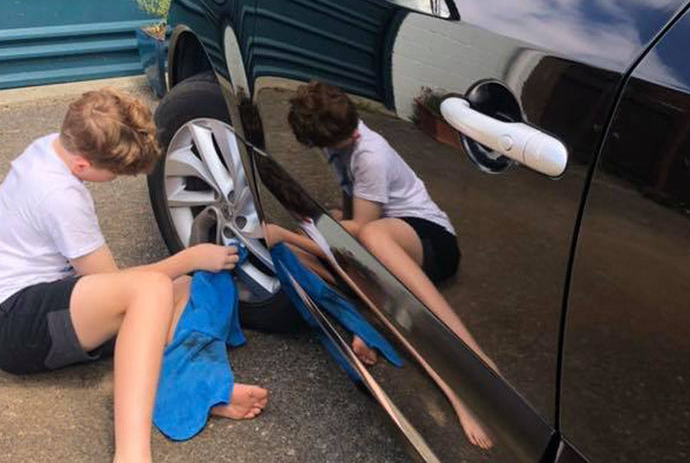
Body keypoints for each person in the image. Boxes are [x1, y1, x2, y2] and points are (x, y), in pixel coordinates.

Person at [0, 88, 267, 463]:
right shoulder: (60, 197)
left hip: (43, 304)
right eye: (114, 173)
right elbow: (117, 285)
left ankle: (197, 390)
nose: (115, 179)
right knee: (153, 289)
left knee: (182, 289)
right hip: (15, 325)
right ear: (82, 165)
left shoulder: (49, 147)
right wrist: (189, 257)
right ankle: (131, 454)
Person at [287, 80, 495, 449]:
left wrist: (312, 225)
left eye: (349, 134)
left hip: (431, 241)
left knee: (362, 235)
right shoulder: (338, 146)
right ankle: (368, 318)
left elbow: (362, 228)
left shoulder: (370, 154)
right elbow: (351, 204)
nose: (351, 138)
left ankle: (473, 364)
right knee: (309, 242)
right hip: (387, 236)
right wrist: (324, 223)